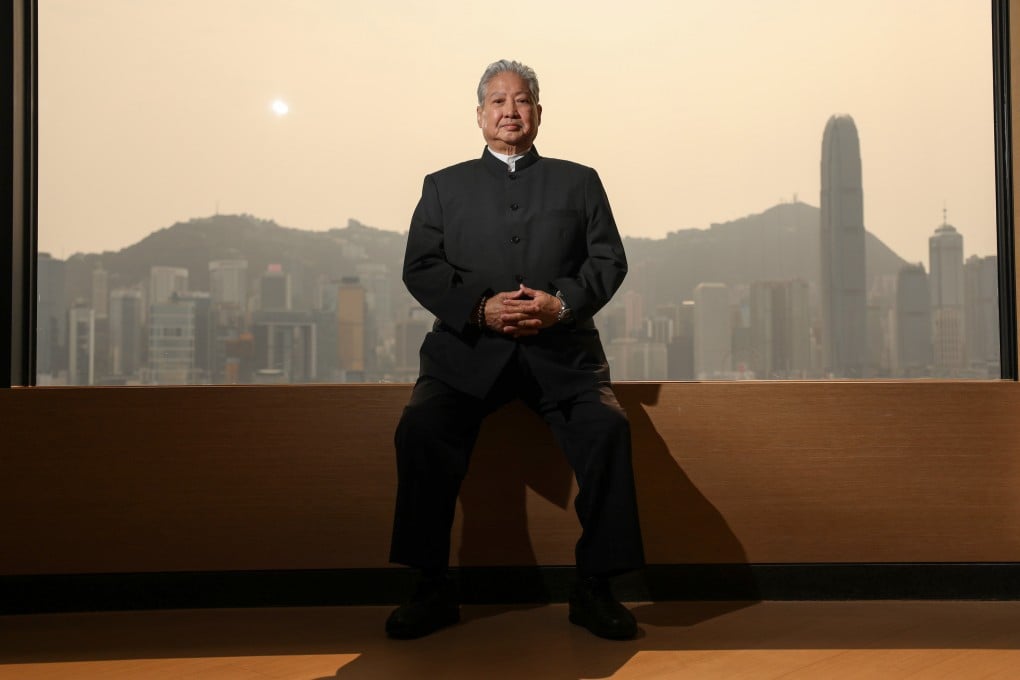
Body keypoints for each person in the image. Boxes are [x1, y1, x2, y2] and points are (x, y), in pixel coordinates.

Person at [386, 59, 645, 640]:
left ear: (538, 113)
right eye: (498, 102)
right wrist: (479, 309)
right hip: (466, 355)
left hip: (563, 356)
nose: (510, 111)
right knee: (421, 427)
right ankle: (429, 586)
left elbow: (608, 261)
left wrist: (560, 305)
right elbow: (420, 267)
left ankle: (596, 587)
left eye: (522, 100)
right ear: (479, 115)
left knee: (608, 431)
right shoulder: (442, 185)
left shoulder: (579, 180)